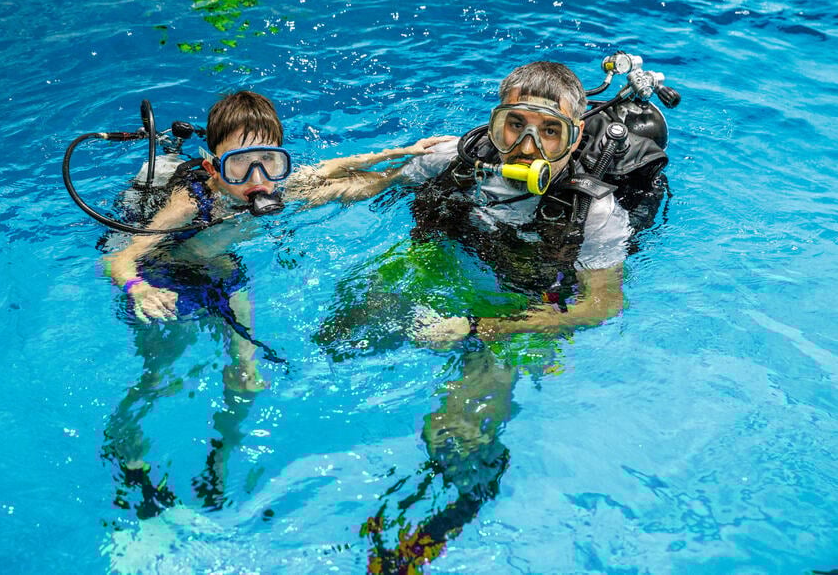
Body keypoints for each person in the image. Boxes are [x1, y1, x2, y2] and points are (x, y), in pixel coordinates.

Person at [313, 60, 671, 571]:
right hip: (453, 261)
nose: (528, 146)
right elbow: (369, 185)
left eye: (550, 131)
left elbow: (602, 304)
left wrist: (482, 328)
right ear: (494, 124)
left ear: (572, 141)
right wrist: (286, 190)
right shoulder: (455, 159)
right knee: (340, 337)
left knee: (463, 421)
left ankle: (443, 519)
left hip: (529, 300)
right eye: (515, 125)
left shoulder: (595, 212)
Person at [101, 89, 452, 518]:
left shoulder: (273, 186)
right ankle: (125, 442)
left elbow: (335, 170)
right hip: (166, 276)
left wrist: (405, 157)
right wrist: (139, 288)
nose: (257, 178)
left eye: (268, 162)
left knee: (245, 377)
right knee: (161, 374)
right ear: (213, 167)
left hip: (223, 271)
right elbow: (119, 258)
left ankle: (219, 461)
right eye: (239, 165)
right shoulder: (192, 200)